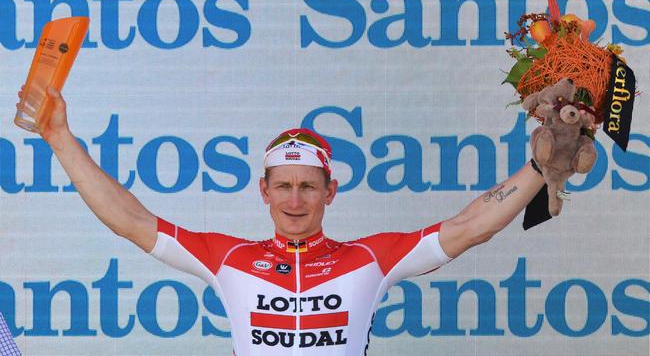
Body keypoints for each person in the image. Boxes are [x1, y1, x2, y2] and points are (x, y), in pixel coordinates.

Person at [22, 86, 548, 355]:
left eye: (307, 187)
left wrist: (543, 166)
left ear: (329, 193)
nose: (295, 200)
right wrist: (60, 138)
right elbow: (130, 220)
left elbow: (469, 226)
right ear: (264, 192)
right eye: (284, 186)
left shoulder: (366, 258)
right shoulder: (231, 258)